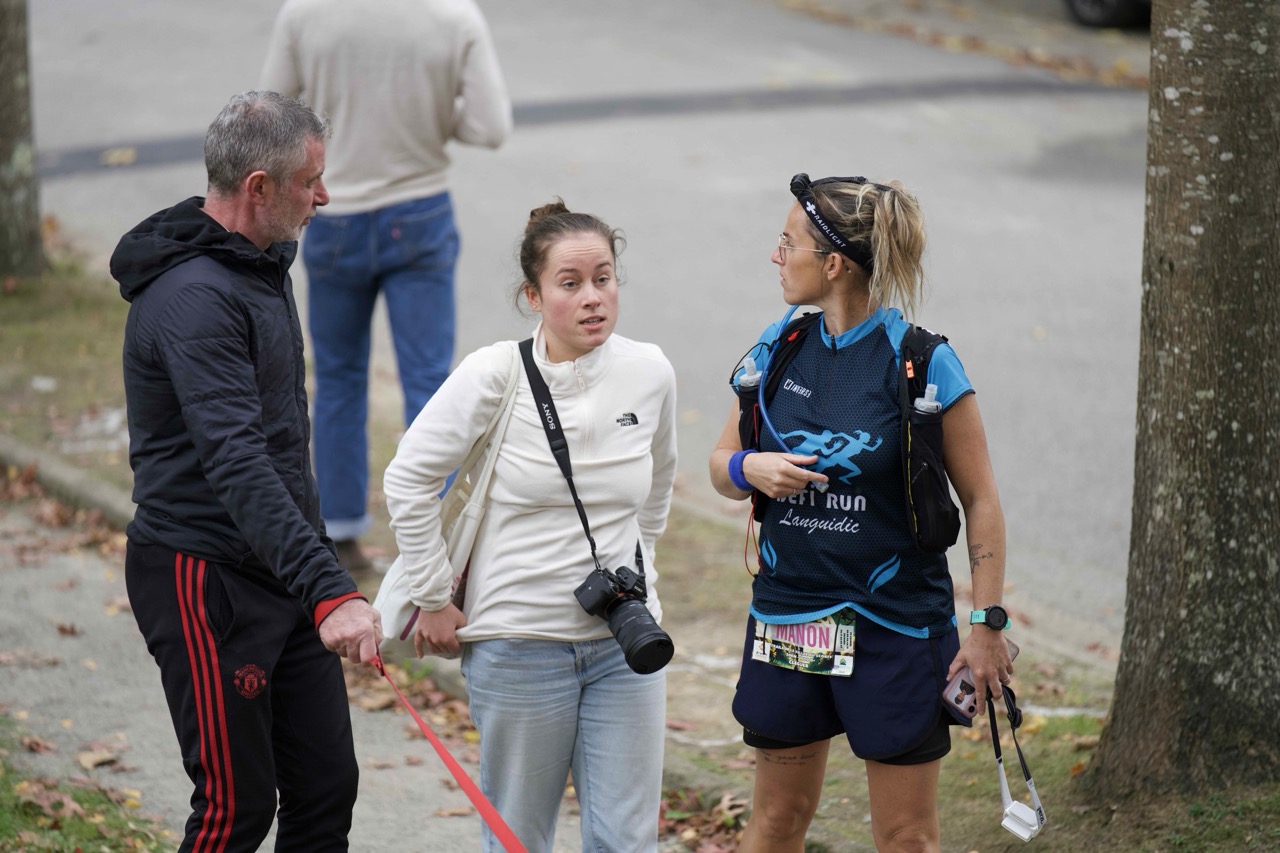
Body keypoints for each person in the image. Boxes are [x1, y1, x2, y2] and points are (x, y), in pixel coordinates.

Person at [708, 173, 1014, 852]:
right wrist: (749, 467)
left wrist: (986, 624)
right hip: (790, 620)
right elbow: (720, 465)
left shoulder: (923, 362)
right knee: (777, 821)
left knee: (906, 836)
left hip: (894, 628)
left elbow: (982, 501)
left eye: (787, 242)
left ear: (833, 265)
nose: (775, 255)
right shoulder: (778, 348)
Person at [112, 91, 383, 852]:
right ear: (258, 186)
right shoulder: (195, 298)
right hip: (205, 578)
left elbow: (282, 445)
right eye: (310, 180)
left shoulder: (259, 263)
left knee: (324, 789)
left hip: (279, 566)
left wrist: (313, 574)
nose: (323, 196)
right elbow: (237, 460)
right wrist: (330, 587)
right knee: (235, 809)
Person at [381, 201, 678, 852]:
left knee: (628, 841)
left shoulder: (650, 371)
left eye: (603, 278)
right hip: (518, 644)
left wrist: (641, 573)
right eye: (570, 283)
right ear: (533, 296)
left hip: (625, 643)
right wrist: (433, 595)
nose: (593, 297)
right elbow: (407, 479)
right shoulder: (496, 373)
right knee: (519, 837)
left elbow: (658, 486)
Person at [260, 0, 513, 574]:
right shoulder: (453, 15)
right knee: (429, 380)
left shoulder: (304, 12)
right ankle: (441, 535)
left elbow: (270, 113)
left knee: (338, 378)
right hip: (419, 206)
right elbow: (491, 126)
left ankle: (341, 531)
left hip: (334, 212)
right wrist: (430, 115)